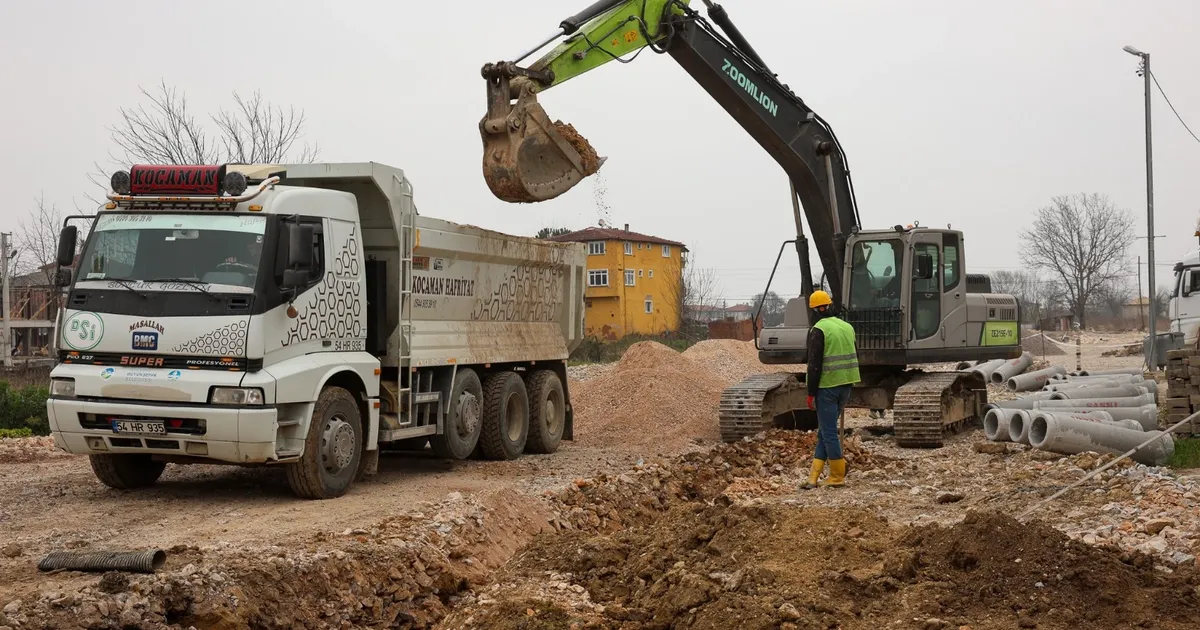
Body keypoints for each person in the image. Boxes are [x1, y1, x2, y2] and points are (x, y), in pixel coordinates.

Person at [800, 289, 861, 489]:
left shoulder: (819, 330)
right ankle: (813, 477)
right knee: (824, 432)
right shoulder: (847, 327)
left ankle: (837, 475)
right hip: (846, 385)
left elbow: (814, 365)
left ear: (814, 311)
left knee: (828, 432)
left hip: (827, 387)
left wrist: (810, 393)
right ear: (829, 305)